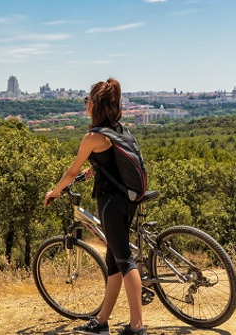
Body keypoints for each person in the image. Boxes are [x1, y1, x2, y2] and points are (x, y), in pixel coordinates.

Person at [43, 78, 147, 335]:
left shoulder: (92, 137)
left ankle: (137, 327)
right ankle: (101, 321)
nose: (85, 105)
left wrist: (54, 193)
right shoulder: (120, 130)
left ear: (95, 105)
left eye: (87, 101)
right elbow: (108, 165)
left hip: (110, 203)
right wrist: (91, 173)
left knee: (124, 260)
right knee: (113, 261)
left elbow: (70, 171)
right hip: (128, 200)